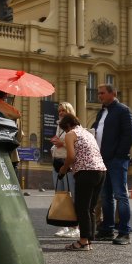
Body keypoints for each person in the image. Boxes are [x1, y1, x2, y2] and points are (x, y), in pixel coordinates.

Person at [91, 83, 132, 246]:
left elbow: (129, 134)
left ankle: (124, 232)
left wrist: (119, 155)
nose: (99, 96)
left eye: (102, 93)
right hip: (102, 160)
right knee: (105, 196)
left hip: (116, 160)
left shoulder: (123, 110)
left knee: (120, 195)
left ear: (113, 93)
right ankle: (107, 230)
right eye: (98, 93)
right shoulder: (101, 112)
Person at [58, 113, 106, 251]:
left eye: (64, 129)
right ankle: (89, 240)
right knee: (90, 208)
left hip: (86, 172)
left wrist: (63, 169)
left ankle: (83, 241)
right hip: (101, 171)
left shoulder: (71, 134)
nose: (65, 133)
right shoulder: (87, 133)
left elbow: (71, 156)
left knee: (82, 207)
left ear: (67, 126)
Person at [50, 102, 79, 238]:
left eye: (63, 110)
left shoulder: (75, 126)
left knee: (70, 195)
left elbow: (77, 147)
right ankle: (64, 226)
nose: (60, 112)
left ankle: (75, 227)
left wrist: (62, 144)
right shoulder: (59, 125)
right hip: (56, 162)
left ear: (70, 111)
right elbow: (60, 144)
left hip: (67, 164)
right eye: (59, 111)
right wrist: (54, 147)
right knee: (60, 195)